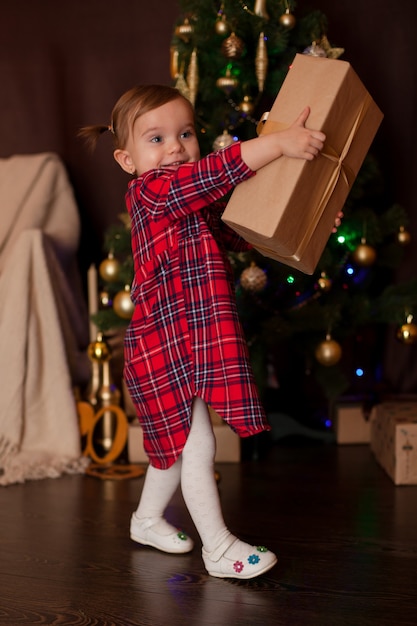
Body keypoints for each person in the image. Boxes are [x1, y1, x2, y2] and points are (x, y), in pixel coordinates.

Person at [80, 85, 325, 579]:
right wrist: (276, 145)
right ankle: (217, 548)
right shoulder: (151, 192)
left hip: (190, 337)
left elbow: (244, 228)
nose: (175, 147)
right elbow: (212, 173)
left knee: (172, 445)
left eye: (186, 133)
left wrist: (311, 216)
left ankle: (146, 520)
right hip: (161, 345)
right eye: (157, 139)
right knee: (196, 445)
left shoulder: (195, 204)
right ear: (127, 160)